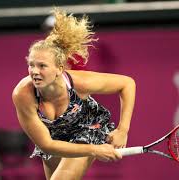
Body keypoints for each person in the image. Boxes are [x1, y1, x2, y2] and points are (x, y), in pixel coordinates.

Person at [12, 8, 136, 180]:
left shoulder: (80, 82)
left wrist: (123, 130)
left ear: (60, 69)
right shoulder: (22, 94)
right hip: (54, 136)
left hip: (87, 128)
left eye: (42, 66)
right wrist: (95, 150)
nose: (34, 71)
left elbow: (127, 83)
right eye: (31, 65)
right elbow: (47, 145)